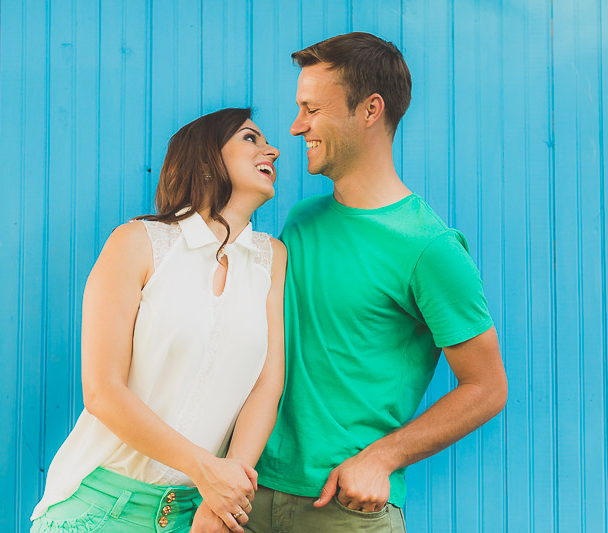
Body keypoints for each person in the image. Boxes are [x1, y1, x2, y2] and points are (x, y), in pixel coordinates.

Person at [195, 32, 509, 533]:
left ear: (370, 110)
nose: (297, 128)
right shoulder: (301, 219)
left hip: (341, 510)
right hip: (245, 494)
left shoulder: (429, 248)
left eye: (312, 109)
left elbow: (488, 387)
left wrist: (384, 457)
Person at [30, 108, 286, 533]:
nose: (272, 150)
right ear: (206, 160)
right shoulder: (137, 242)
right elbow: (101, 391)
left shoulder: (270, 258)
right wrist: (206, 470)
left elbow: (266, 385)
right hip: (100, 508)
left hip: (194, 515)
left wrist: (226, 493)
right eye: (249, 138)